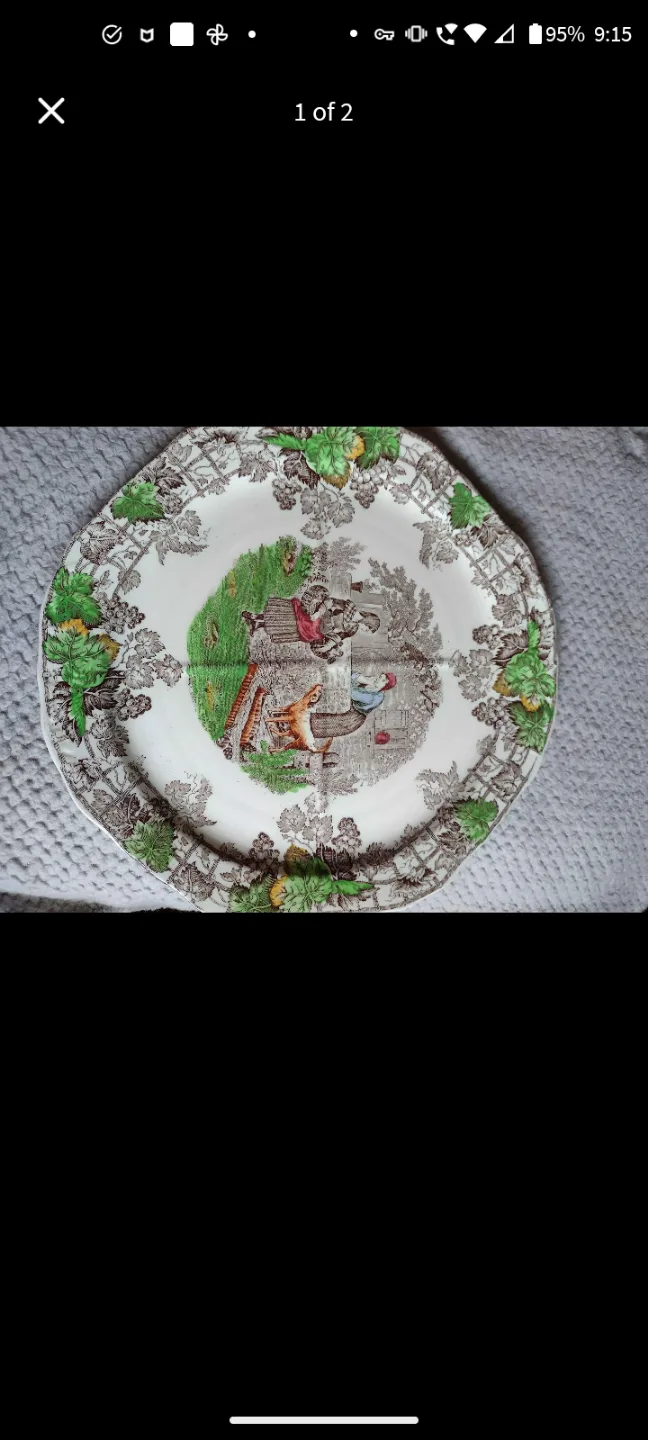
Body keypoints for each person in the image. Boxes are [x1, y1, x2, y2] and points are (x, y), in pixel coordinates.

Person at [243, 586, 381, 664]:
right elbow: (330, 602)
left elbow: (338, 636)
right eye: (367, 629)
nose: (364, 630)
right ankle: (255, 617)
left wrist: (327, 646)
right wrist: (318, 613)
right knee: (288, 618)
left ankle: (257, 626)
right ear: (368, 621)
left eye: (366, 632)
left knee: (288, 628)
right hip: (315, 618)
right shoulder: (349, 607)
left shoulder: (353, 629)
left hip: (317, 632)